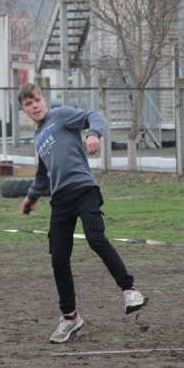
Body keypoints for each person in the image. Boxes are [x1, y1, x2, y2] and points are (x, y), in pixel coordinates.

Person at [18, 83, 147, 343]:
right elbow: (44, 174)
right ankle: (70, 317)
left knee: (95, 238)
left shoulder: (60, 116)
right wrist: (32, 196)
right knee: (58, 259)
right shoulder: (38, 136)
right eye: (29, 103)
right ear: (24, 110)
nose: (35, 106)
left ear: (45, 100)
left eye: (38, 100)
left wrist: (93, 134)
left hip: (84, 189)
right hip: (60, 200)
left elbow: (94, 116)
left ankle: (130, 291)